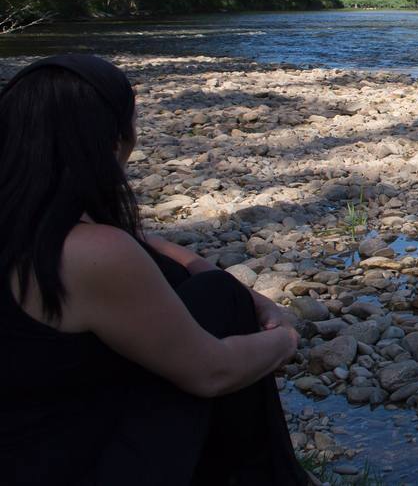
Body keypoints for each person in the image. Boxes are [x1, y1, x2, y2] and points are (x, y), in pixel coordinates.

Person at [0, 54, 310, 485]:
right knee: (219, 299)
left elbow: (146, 243)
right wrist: (283, 338)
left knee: (214, 287)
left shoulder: (31, 222)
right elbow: (211, 372)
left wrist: (243, 291)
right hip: (66, 469)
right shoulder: (93, 254)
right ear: (111, 143)